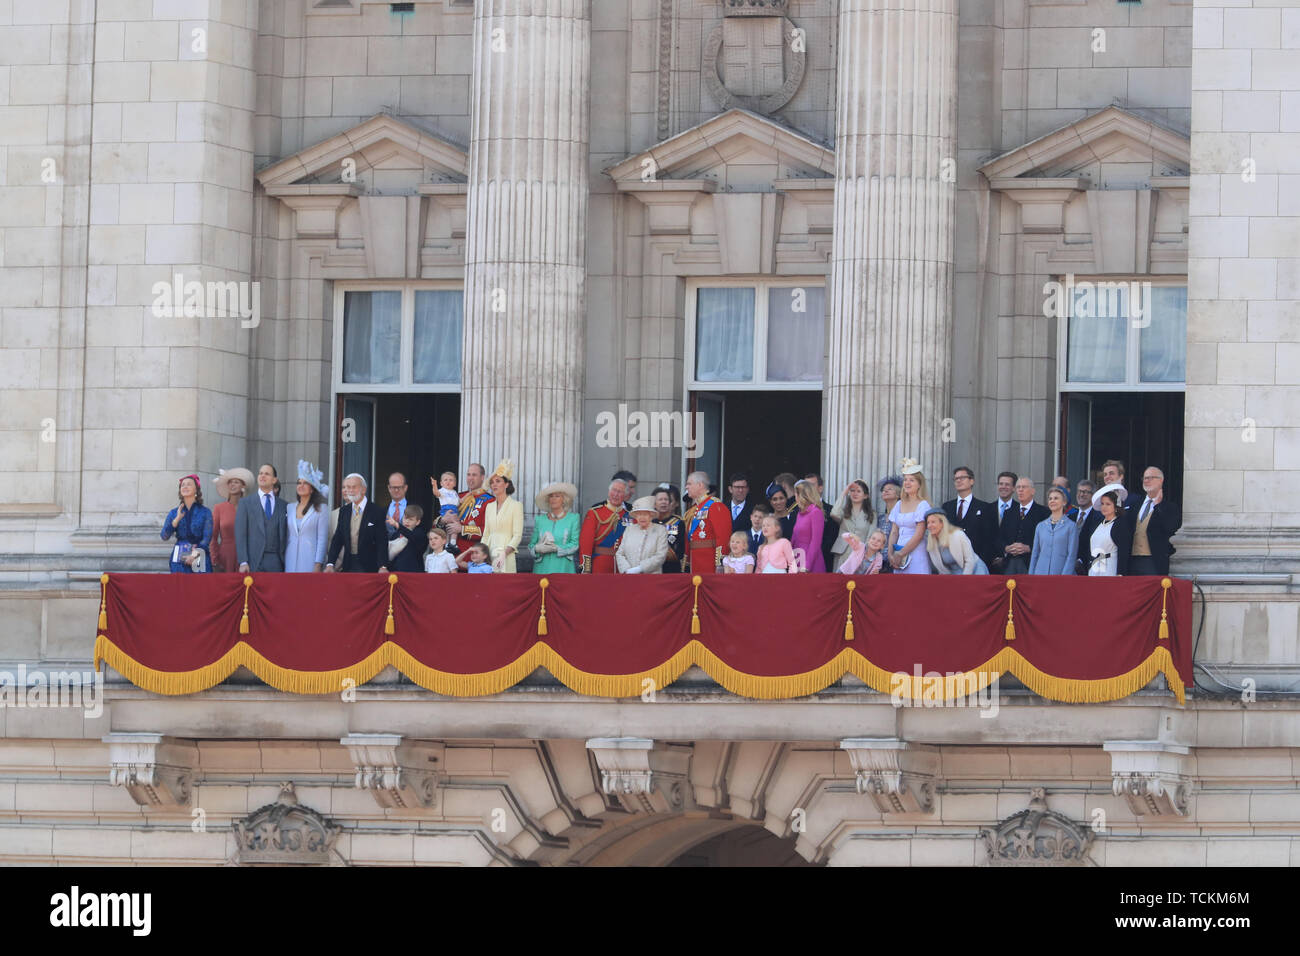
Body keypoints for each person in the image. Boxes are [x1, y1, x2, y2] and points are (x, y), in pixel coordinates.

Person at [325, 473, 388, 573]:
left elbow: (381, 541)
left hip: (369, 567)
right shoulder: (344, 511)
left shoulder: (376, 511)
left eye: (354, 487)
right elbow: (338, 538)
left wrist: (383, 566)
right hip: (348, 565)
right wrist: (330, 563)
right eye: (347, 487)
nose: (350, 490)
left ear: (363, 489)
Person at [1125, 466, 1181, 575]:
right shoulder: (1135, 504)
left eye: (1151, 478)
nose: (1146, 481)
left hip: (1153, 561)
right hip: (1132, 561)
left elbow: (1170, 527)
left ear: (1161, 480)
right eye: (1145, 478)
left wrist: (1157, 506)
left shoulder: (1169, 507)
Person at [236, 463, 288, 573]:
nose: (262, 476)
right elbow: (240, 534)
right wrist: (243, 561)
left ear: (274, 480)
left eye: (267, 474)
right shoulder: (246, 503)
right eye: (260, 473)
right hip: (253, 561)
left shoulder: (283, 505)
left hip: (276, 562)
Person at [942, 465, 997, 569]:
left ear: (971, 481)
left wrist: (982, 560)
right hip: (952, 562)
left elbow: (989, 538)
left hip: (977, 561)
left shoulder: (985, 507)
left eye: (962, 478)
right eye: (956, 479)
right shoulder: (947, 507)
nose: (959, 481)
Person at [887, 460, 932, 574]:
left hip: (916, 552)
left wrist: (901, 553)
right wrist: (891, 554)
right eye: (905, 480)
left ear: (919, 484)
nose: (907, 483)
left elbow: (919, 534)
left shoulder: (923, 505)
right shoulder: (898, 504)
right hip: (898, 551)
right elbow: (894, 532)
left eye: (911, 480)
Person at [683, 470, 731, 575]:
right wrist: (686, 563)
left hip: (708, 562)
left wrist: (720, 563)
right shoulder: (695, 509)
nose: (686, 487)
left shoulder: (715, 506)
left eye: (689, 484)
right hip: (695, 561)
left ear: (700, 485)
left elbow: (723, 536)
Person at [285, 460, 329, 573]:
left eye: (305, 483)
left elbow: (322, 539)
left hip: (310, 560)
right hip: (290, 558)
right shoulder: (289, 508)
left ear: (312, 488)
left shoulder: (321, 509)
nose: (301, 486)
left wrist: (318, 563)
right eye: (299, 483)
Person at [162, 474, 212, 573]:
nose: (185, 487)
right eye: (182, 485)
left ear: (196, 490)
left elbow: (207, 538)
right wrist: (176, 520)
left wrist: (194, 555)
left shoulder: (205, 512)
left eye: (189, 484)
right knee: (180, 586)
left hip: (199, 554)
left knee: (200, 587)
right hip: (179, 557)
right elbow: (164, 536)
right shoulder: (174, 512)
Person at [997, 476, 1048, 575]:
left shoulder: (1043, 513)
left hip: (1031, 563)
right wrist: (1006, 548)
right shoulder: (1009, 512)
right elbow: (999, 538)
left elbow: (1046, 541)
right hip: (1009, 563)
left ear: (1032, 491)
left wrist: (1029, 548)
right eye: (1018, 487)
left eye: (1024, 487)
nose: (1020, 490)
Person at [529, 481, 581, 574]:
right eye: (551, 496)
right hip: (542, 569)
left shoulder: (573, 519)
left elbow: (574, 544)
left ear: (564, 499)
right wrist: (537, 549)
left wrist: (556, 548)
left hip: (563, 568)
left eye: (557, 496)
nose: (553, 499)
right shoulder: (540, 520)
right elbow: (531, 545)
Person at [580, 478, 631, 573]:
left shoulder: (630, 515)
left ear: (625, 495)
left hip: (623, 565)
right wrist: (586, 568)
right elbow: (586, 543)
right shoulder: (595, 512)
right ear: (609, 492)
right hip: (600, 564)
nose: (616, 494)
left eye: (620, 492)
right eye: (614, 490)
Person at [481, 460, 523, 573]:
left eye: (498, 481)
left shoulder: (516, 506)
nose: (494, 484)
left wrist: (504, 553)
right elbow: (486, 534)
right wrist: (481, 554)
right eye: (492, 482)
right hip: (489, 555)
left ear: (506, 484)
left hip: (506, 555)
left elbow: (517, 535)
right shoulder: (489, 507)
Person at [1028, 487, 1080, 575]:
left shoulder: (1071, 526)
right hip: (1040, 574)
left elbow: (1071, 555)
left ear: (1064, 502)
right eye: (1050, 498)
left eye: (1056, 498)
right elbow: (1035, 554)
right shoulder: (1040, 526)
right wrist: (1031, 575)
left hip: (1060, 574)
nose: (1052, 501)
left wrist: (1064, 577)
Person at [210, 467, 252, 573]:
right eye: (230, 482)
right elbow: (213, 537)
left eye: (236, 482)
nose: (232, 485)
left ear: (243, 486)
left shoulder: (249, 508)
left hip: (246, 557)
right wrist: (214, 560)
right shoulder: (219, 508)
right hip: (225, 556)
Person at [830, 479, 876, 572]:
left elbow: (871, 535)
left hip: (861, 553)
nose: (855, 494)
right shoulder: (843, 511)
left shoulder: (872, 514)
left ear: (866, 495)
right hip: (843, 552)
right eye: (852, 491)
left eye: (859, 491)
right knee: (839, 582)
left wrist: (866, 554)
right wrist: (844, 492)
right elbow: (834, 513)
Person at [924, 509, 988, 574]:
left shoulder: (958, 535)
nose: (929, 525)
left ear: (942, 523)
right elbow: (941, 569)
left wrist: (964, 579)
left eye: (933, 522)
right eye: (928, 523)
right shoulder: (931, 543)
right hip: (955, 575)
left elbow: (970, 560)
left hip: (975, 570)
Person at [616, 497, 670, 574]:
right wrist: (626, 570)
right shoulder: (629, 530)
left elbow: (660, 555)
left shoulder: (660, 530)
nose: (642, 517)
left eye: (645, 514)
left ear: (651, 516)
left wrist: (640, 568)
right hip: (629, 577)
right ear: (635, 517)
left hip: (652, 578)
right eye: (639, 514)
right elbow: (620, 553)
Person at [1087, 486, 1131, 576]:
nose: (1104, 507)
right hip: (1094, 568)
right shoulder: (1097, 524)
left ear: (1115, 506)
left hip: (1110, 568)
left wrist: (1120, 573)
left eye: (1108, 504)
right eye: (1102, 504)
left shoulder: (1120, 525)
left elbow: (1124, 551)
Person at [454, 463, 493, 560]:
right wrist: (443, 520)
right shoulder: (458, 497)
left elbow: (488, 530)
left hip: (472, 557)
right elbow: (436, 524)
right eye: (468, 474)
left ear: (482, 477)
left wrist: (462, 529)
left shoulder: (490, 501)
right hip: (451, 557)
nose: (470, 478)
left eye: (474, 475)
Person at [790, 479, 826, 573]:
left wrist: (807, 565)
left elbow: (816, 542)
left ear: (803, 495)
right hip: (797, 558)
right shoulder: (800, 513)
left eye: (796, 495)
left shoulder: (815, 512)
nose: (795, 498)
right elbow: (794, 538)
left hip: (810, 561)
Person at [652, 488, 685, 574]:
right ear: (654, 504)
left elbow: (682, 550)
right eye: (660, 499)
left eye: (666, 499)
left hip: (672, 569)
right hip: (653, 569)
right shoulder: (649, 523)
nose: (663, 502)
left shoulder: (678, 523)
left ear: (670, 503)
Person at [387, 504, 428, 573]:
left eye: (411, 519)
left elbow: (411, 535)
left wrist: (397, 525)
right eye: (405, 518)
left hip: (413, 575)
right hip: (394, 575)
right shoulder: (395, 534)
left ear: (418, 522)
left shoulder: (420, 534)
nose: (407, 521)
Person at [1073, 480, 1099, 575]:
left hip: (1087, 569)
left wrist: (1081, 561)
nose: (1081, 494)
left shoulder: (1098, 517)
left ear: (1093, 495)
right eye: (1079, 491)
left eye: (1085, 492)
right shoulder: (1070, 516)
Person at [384, 472, 412, 541]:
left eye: (399, 487)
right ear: (389, 488)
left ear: (405, 488)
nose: (396, 490)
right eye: (393, 487)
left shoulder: (415, 508)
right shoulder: (382, 511)